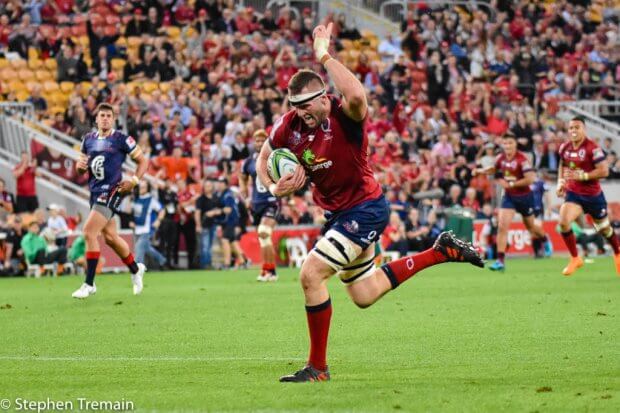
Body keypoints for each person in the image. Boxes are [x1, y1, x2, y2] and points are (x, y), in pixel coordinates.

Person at [255, 23, 483, 383]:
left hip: (365, 208)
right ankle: (439, 252)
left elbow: (358, 96)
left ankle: (318, 368)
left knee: (310, 275)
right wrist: (273, 188)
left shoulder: (345, 116)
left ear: (323, 97)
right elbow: (264, 156)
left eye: (306, 105)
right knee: (363, 294)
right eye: (294, 107)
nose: (301, 113)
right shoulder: (290, 125)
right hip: (338, 215)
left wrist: (324, 54)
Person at [72, 103, 149, 299]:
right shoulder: (88, 140)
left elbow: (143, 161)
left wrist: (134, 180)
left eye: (108, 115)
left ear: (113, 119)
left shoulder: (121, 139)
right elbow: (81, 168)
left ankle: (89, 284)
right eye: (102, 115)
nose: (105, 118)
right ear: (96, 119)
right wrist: (80, 166)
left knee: (89, 232)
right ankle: (135, 269)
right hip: (95, 192)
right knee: (110, 238)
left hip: (112, 191)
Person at [473, 133, 551, 272]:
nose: (507, 146)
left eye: (510, 143)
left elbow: (530, 179)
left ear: (515, 144)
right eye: (505, 143)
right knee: (502, 226)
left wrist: (512, 184)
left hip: (525, 197)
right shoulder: (500, 158)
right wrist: (480, 170)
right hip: (509, 197)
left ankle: (545, 239)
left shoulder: (522, 160)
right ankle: (500, 261)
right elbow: (494, 169)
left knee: (531, 227)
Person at [557, 116, 620, 275]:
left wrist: (583, 176)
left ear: (584, 129)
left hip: (593, 197)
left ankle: (618, 253)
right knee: (563, 222)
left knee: (605, 230)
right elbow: (563, 165)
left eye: (577, 127)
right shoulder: (565, 148)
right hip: (574, 194)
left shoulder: (593, 148)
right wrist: (560, 182)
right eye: (571, 128)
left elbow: (604, 171)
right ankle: (575, 258)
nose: (573, 131)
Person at [240, 129, 280, 281]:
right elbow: (242, 176)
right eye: (256, 140)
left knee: (263, 231)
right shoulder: (249, 161)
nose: (259, 143)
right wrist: (243, 188)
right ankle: (270, 271)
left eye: (262, 140)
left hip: (271, 201)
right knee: (264, 238)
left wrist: (287, 196)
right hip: (256, 204)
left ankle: (268, 270)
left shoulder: (275, 158)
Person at [131, 181, 168, 270]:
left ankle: (138, 270)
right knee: (147, 248)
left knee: (139, 249)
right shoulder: (135, 199)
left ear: (147, 189)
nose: (141, 189)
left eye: (143, 187)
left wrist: (158, 220)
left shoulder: (151, 200)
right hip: (136, 229)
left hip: (146, 229)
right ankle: (162, 260)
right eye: (140, 187)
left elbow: (162, 210)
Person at [215, 177, 246, 269]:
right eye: (219, 183)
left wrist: (217, 212)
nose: (219, 185)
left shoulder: (227, 195)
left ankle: (227, 264)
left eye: (221, 183)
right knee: (232, 242)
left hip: (230, 221)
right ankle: (243, 262)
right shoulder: (223, 194)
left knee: (225, 241)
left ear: (225, 184)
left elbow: (228, 210)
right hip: (229, 222)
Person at [195, 179, 224, 269]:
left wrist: (215, 212)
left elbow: (222, 210)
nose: (208, 188)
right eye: (206, 186)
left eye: (209, 186)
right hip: (204, 225)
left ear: (212, 187)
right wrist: (198, 225)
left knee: (210, 245)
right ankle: (205, 264)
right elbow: (197, 213)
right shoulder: (201, 199)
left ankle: (209, 263)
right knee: (205, 246)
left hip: (214, 224)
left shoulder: (216, 198)